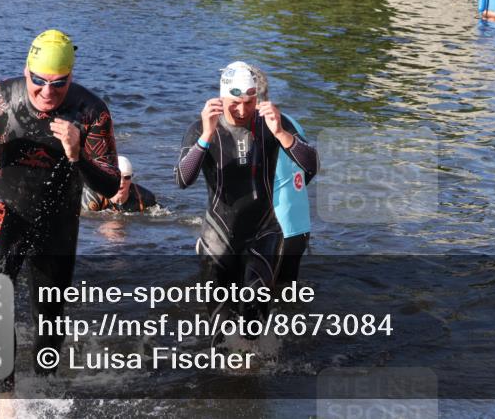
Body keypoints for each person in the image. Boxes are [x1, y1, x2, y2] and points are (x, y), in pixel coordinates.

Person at [0, 29, 120, 391]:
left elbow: (109, 185)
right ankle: (5, 400)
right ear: (26, 71)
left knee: (49, 318)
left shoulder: (91, 111)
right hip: (3, 209)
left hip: (58, 221)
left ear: (71, 77)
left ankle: (44, 391)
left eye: (59, 84)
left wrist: (78, 155)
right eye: (39, 81)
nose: (47, 92)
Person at [176, 61, 318, 332]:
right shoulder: (201, 128)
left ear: (258, 98)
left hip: (263, 233)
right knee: (221, 330)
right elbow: (182, 179)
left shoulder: (274, 123)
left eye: (249, 102)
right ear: (221, 97)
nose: (242, 110)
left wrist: (281, 133)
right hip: (218, 237)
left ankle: (258, 369)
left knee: (254, 326)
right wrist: (205, 136)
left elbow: (311, 166)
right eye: (234, 103)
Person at [252, 65, 311, 285]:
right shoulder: (290, 122)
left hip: (271, 231)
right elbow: (309, 168)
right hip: (298, 228)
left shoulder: (252, 129)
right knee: (285, 297)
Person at [83, 155, 158, 213]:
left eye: (127, 177)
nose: (122, 182)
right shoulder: (92, 196)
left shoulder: (145, 198)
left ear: (131, 178)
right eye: (117, 177)